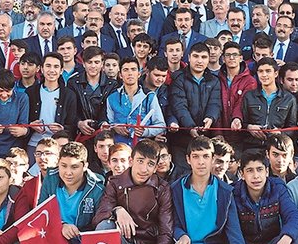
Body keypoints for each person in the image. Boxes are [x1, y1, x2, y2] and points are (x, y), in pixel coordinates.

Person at [168, 136, 250, 244]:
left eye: (206, 156)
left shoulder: (225, 191)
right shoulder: (176, 188)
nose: (201, 162)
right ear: (188, 159)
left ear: (212, 159)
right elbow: (174, 223)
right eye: (195, 156)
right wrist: (181, 235)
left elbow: (234, 230)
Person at [93, 139, 173, 244]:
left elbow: (166, 230)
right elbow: (99, 217)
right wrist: (117, 211)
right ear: (131, 161)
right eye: (140, 161)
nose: (144, 169)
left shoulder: (162, 189)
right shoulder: (115, 183)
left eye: (150, 164)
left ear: (155, 168)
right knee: (105, 226)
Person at [233, 148, 298, 244]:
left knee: (295, 241)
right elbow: (232, 233)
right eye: (250, 171)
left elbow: (296, 216)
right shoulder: (233, 194)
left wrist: (286, 238)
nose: (256, 176)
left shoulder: (277, 187)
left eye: (260, 169)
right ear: (242, 174)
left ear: (266, 172)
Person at [38, 141, 105, 244]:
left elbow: (97, 227)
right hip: (52, 237)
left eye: (74, 167)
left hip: (82, 243)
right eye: (63, 166)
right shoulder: (50, 178)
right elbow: (41, 212)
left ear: (85, 166)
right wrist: (61, 225)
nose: (68, 172)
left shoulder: (97, 189)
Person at [168, 42, 221, 174]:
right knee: (182, 174)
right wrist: (190, 127)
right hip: (181, 139)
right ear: (189, 58)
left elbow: (215, 103)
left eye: (203, 57)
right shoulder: (178, 78)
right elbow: (179, 105)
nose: (199, 61)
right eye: (196, 56)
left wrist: (210, 118)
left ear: (208, 59)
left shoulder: (214, 80)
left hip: (205, 139)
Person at [26, 52, 77, 158]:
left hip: (58, 146)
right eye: (48, 66)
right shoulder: (30, 92)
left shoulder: (69, 95)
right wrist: (31, 125)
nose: (52, 70)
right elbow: (23, 120)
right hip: (34, 143)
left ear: (61, 70)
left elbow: (72, 124)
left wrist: (62, 129)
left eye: (56, 67)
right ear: (42, 69)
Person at [242, 57, 298, 151]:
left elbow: (292, 128)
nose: (264, 75)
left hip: (277, 147)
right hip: (252, 146)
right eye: (261, 71)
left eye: (268, 71)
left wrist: (280, 133)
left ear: (276, 73)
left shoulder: (289, 99)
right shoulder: (249, 96)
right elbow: (243, 122)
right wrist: (249, 127)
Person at [107, 57, 165, 145]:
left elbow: (160, 125)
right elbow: (108, 124)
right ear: (120, 75)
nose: (130, 73)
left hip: (143, 146)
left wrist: (145, 131)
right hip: (119, 146)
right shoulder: (112, 98)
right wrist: (115, 127)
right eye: (126, 70)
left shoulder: (149, 96)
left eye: (133, 69)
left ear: (139, 74)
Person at [218, 41, 257, 145]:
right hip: (219, 135)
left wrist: (237, 118)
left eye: (235, 55)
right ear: (223, 59)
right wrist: (217, 133)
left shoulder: (250, 81)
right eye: (228, 55)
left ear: (241, 58)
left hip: (241, 136)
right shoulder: (217, 79)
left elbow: (242, 102)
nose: (231, 58)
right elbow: (215, 105)